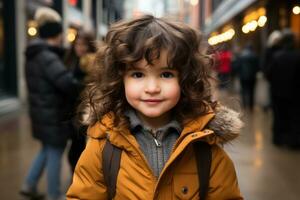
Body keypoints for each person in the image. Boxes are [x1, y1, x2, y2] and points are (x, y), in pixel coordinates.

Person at [66, 15, 244, 199]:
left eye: (166, 74)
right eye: (137, 74)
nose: (152, 88)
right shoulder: (103, 145)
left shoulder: (205, 145)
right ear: (120, 79)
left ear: (185, 79)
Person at [20, 7, 79, 200]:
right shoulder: (48, 57)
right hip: (52, 114)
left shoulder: (35, 54)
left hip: (42, 112)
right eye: (61, 33)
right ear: (55, 35)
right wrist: (80, 83)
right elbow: (66, 83)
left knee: (47, 150)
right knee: (55, 152)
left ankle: (29, 184)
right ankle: (54, 194)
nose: (63, 36)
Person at [64, 29, 96, 173]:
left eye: (83, 45)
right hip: (70, 110)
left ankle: (79, 178)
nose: (79, 48)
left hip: (84, 110)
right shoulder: (70, 59)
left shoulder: (93, 62)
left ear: (89, 46)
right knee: (74, 148)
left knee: (80, 148)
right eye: (77, 44)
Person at [268, 29, 300, 148]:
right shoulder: (297, 56)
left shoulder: (277, 56)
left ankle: (278, 139)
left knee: (278, 117)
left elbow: (269, 74)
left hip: (278, 93)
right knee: (295, 118)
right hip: (295, 94)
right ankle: (294, 142)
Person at [236, 44, 259, 111]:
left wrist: (239, 73)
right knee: (252, 91)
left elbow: (238, 66)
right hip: (252, 77)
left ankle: (244, 105)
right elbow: (257, 67)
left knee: (243, 91)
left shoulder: (241, 56)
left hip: (243, 77)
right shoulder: (254, 56)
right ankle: (251, 106)